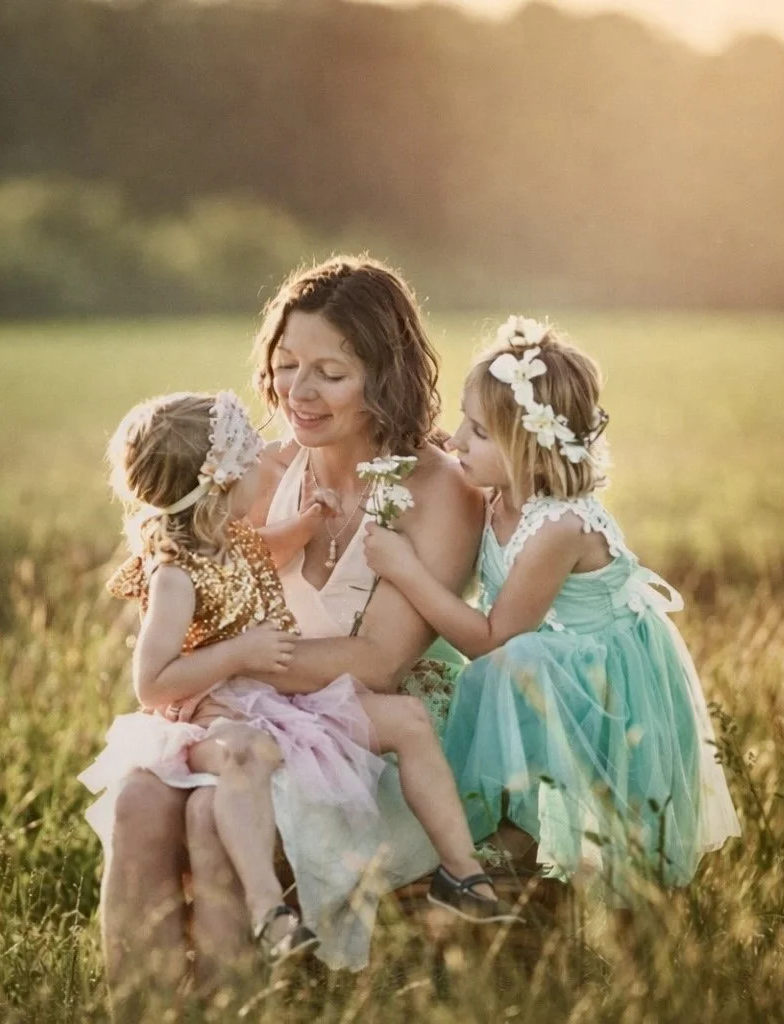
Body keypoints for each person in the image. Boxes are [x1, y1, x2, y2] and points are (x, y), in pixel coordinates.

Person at [92, 257, 511, 990]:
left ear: (385, 376)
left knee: (208, 818)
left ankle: (239, 1005)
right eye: (286, 365)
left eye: (330, 373)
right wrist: (207, 673)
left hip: (367, 732)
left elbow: (378, 661)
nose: (298, 393)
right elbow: (195, 591)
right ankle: (141, 1006)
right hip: (247, 719)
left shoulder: (438, 491)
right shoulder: (263, 468)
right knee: (136, 796)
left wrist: (225, 664)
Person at [364, 315, 741, 903]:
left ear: (532, 450)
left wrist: (406, 570)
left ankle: (513, 851)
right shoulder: (498, 488)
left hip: (599, 676)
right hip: (542, 658)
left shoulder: (557, 527)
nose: (458, 439)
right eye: (464, 420)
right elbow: (454, 451)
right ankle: (497, 845)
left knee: (517, 665)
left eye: (479, 432)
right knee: (510, 669)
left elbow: (489, 639)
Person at [79, 390, 382, 966]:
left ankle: (238, 968)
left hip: (242, 709)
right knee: (241, 755)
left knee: (235, 774)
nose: (260, 467)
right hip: (197, 724)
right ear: (217, 483)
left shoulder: (230, 538)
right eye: (247, 463)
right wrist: (240, 652)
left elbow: (266, 551)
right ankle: (266, 911)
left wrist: (311, 520)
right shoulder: (174, 575)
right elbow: (153, 683)